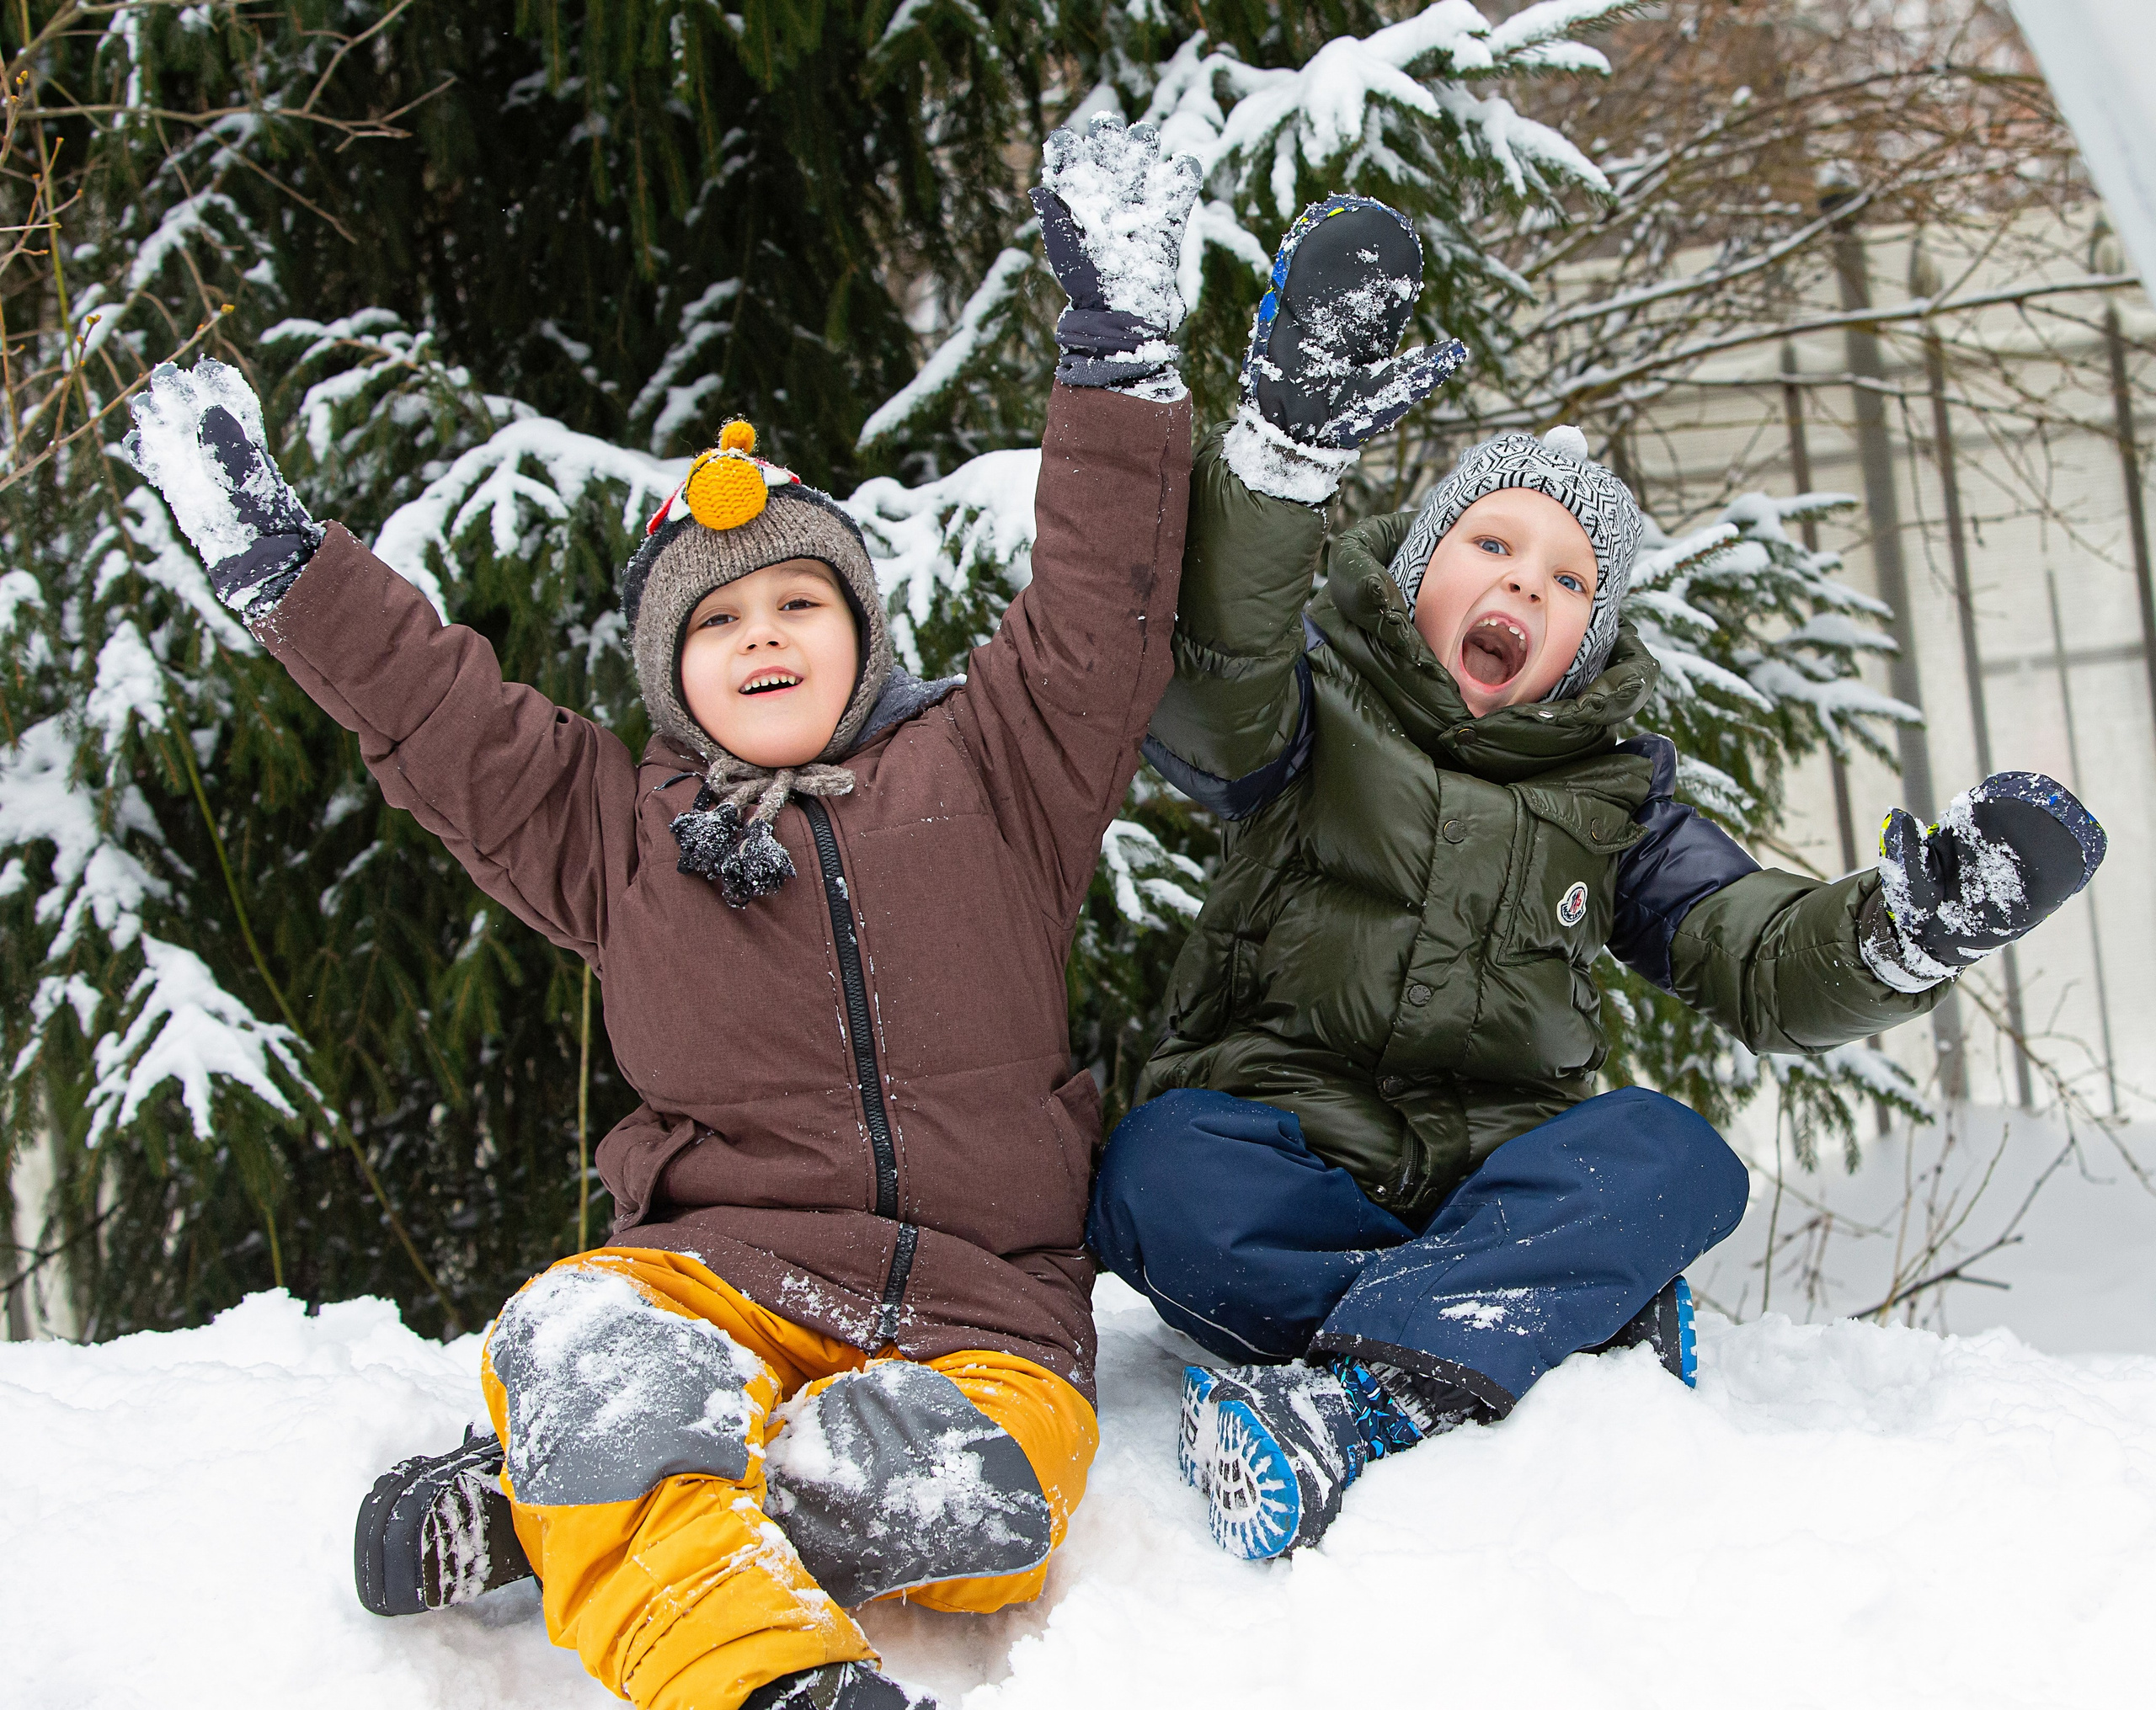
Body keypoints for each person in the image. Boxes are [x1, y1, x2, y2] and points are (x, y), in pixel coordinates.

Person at [124, 115, 1201, 1710]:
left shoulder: (998, 770)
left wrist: (1120, 357)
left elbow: (1102, 606)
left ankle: (571, 1496)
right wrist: (289, 568)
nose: (763, 636)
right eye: (718, 622)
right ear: (668, 677)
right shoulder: (616, 836)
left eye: (799, 602)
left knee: (985, 1506)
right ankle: (765, 1674)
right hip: (717, 1287)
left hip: (984, 1316)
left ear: (861, 633)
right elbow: (437, 712)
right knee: (586, 1336)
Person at [1087, 194, 2109, 1564]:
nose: (1525, 584)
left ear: (1589, 639)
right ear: (1416, 570)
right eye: (1492, 545)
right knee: (1155, 1171)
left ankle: (1375, 1396)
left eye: (1570, 581)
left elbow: (1751, 949)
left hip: (1491, 1172)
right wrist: (1282, 458)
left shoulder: (1613, 794)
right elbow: (1210, 695)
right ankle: (1527, 1328)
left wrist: (1901, 938)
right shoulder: (1310, 712)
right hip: (1285, 1152)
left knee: (1672, 1154)